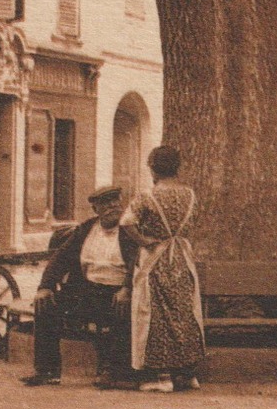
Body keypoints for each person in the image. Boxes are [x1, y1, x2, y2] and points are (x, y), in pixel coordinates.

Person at [23, 185, 139, 389]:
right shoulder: (86, 229)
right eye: (106, 203)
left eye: (115, 201)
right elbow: (60, 258)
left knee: (121, 312)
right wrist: (45, 286)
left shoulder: (129, 231)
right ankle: (47, 371)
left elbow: (137, 263)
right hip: (86, 290)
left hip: (117, 291)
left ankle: (112, 371)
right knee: (45, 305)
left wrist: (127, 289)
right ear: (96, 209)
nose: (113, 206)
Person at [118, 144, 205, 392]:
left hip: (156, 259)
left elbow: (127, 223)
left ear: (153, 169)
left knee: (156, 314)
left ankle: (162, 376)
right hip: (181, 258)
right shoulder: (189, 195)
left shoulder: (148, 196)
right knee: (183, 313)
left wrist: (145, 240)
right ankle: (187, 373)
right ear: (177, 168)